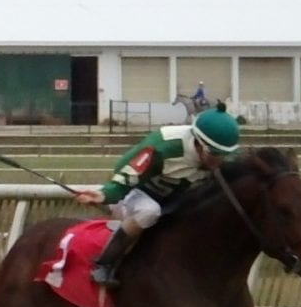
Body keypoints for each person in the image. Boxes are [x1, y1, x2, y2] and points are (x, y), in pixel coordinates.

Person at [73, 105, 240, 288]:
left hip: (173, 199)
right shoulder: (164, 146)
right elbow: (129, 175)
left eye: (224, 155)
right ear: (198, 142)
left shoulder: (218, 157)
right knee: (150, 211)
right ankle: (104, 264)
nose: (219, 162)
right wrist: (105, 194)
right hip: (136, 193)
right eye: (214, 155)